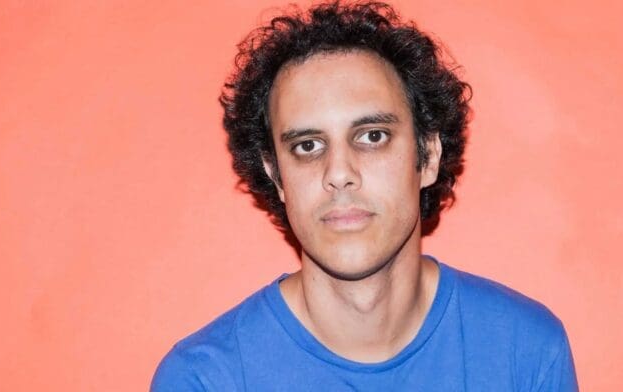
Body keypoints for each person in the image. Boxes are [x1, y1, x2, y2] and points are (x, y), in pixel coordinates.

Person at [151, 1, 578, 390]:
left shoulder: (526, 352)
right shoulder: (204, 379)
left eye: (372, 136)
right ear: (276, 175)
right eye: (307, 146)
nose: (339, 174)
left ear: (427, 156)